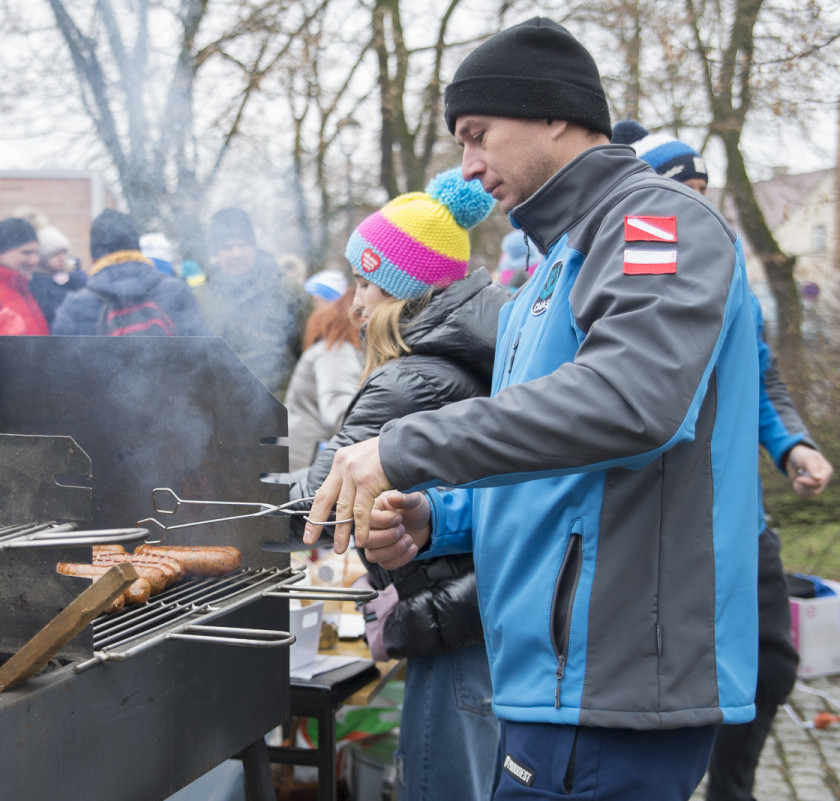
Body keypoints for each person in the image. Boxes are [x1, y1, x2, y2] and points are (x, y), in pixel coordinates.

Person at [305, 17, 760, 800]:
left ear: (555, 113)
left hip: (615, 681)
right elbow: (547, 459)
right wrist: (436, 517)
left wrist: (403, 448)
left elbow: (630, 402)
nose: (469, 168)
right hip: (548, 676)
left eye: (479, 135)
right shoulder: (550, 267)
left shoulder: (655, 223)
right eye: (459, 143)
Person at [613, 120, 836, 801]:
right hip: (661, 518)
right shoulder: (633, 259)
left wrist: (792, 442)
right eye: (685, 192)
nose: (699, 207)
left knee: (772, 665)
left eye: (706, 191)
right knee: (657, 683)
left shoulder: (730, 257)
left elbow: (760, 375)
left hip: (743, 512)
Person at [290, 168, 506, 801]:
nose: (354, 303)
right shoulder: (470, 354)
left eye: (368, 281)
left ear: (405, 290)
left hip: (454, 626)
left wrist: (230, 511)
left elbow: (317, 503)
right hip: (474, 610)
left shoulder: (405, 380)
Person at [194, 207, 308, 397]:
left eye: (243, 245)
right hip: (226, 410)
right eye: (228, 247)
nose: (237, 254)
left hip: (281, 405)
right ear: (216, 252)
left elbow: (310, 350)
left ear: (254, 245)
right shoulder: (202, 299)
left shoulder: (287, 291)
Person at [51, 209, 209, 336]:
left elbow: (61, 370)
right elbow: (206, 356)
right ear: (138, 248)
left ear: (93, 258)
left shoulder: (76, 307)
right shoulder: (177, 291)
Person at [283, 270, 362, 472]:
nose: (310, 310)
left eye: (316, 302)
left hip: (307, 464)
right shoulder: (332, 348)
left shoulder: (335, 351)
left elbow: (338, 413)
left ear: (335, 306)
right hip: (302, 459)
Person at [0, 217, 50, 335]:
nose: (35, 260)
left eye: (37, 253)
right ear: (2, 253)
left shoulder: (23, 286)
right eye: (26, 253)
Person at [29, 222, 88, 327]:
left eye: (64, 252)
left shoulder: (76, 278)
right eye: (54, 254)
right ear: (43, 257)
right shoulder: (35, 283)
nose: (61, 258)